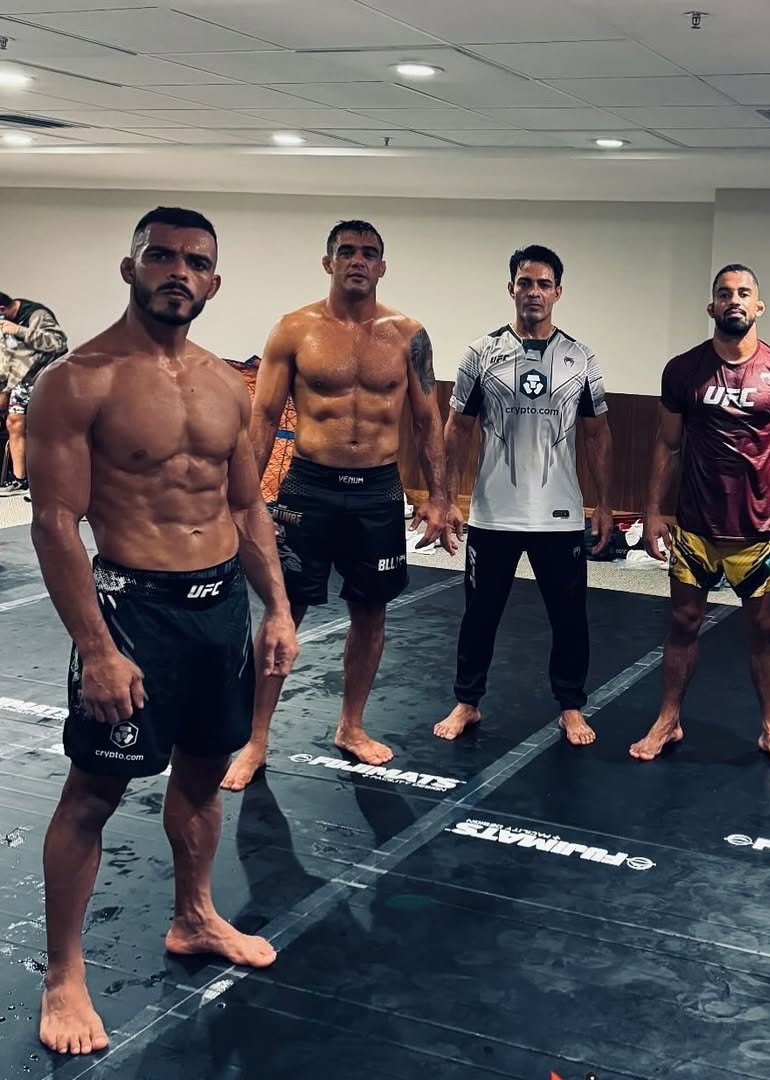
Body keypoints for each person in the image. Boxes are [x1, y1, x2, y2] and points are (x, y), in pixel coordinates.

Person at [27, 207, 299, 1056]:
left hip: (219, 610)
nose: (178, 271)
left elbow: (246, 506)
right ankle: (63, 975)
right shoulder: (79, 381)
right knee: (93, 795)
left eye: (195, 261)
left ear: (214, 280)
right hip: (133, 612)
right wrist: (99, 652)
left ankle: (194, 916)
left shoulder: (225, 384)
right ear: (130, 267)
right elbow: (54, 523)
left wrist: (278, 608)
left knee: (206, 773)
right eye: (161, 256)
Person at [220, 219, 449, 791]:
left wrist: (441, 497)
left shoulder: (409, 334)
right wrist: (243, 499)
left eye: (369, 253)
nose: (358, 260)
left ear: (382, 266)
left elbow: (427, 421)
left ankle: (351, 726)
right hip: (310, 488)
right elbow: (263, 416)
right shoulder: (294, 329)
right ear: (328, 262)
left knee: (371, 611)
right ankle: (255, 738)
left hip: (377, 492)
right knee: (284, 609)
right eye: (347, 251)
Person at [630, 264, 770, 772]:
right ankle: (668, 719)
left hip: (758, 532)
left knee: (764, 629)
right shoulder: (683, 370)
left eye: (743, 292)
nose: (734, 299)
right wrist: (652, 512)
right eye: (724, 293)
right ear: (711, 306)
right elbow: (667, 444)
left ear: (758, 306)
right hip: (696, 528)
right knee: (682, 622)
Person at [434, 244, 613, 745]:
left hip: (559, 514)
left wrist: (603, 504)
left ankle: (571, 707)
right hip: (494, 513)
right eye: (525, 283)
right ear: (511, 288)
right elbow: (457, 429)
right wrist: (446, 498)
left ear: (558, 292)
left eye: (543, 284)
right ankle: (467, 701)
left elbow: (598, 434)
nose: (534, 292)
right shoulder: (481, 354)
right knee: (480, 614)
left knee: (569, 617)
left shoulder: (581, 358)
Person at [0, 288, 68, 498]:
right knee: (14, 423)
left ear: (1, 309)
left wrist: (19, 331)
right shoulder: (5, 324)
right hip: (22, 381)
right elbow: (9, 357)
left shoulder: (36, 315)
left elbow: (58, 343)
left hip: (46, 379)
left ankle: (52, 484)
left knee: (44, 429)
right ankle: (20, 480)